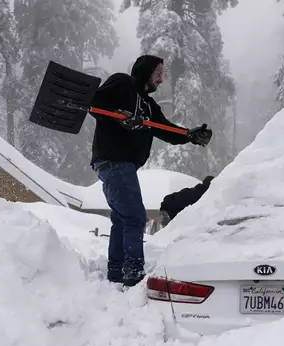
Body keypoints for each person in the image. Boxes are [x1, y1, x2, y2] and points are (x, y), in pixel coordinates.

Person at [89, 54, 213, 287]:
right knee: (135, 217)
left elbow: (166, 130)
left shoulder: (148, 106)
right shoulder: (122, 83)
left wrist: (190, 135)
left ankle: (116, 271)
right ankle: (133, 272)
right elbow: (95, 103)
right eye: (158, 74)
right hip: (114, 161)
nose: (161, 80)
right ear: (145, 72)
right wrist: (121, 117)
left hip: (122, 167)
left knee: (123, 219)